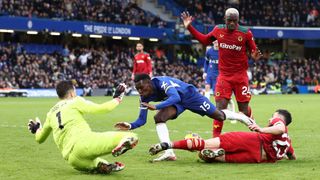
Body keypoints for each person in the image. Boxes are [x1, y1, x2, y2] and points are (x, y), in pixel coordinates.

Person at [115, 74, 254, 162]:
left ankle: (242, 118)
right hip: (177, 103)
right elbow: (142, 120)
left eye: (141, 87)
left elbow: (175, 96)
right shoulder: (144, 97)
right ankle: (169, 152)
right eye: (137, 89)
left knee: (219, 116)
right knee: (159, 118)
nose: (140, 91)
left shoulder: (162, 82)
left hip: (190, 96)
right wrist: (130, 125)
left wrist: (156, 106)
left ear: (149, 82)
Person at [181, 8, 262, 137]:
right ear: (225, 19)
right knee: (219, 110)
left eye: (234, 21)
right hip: (224, 76)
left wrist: (255, 58)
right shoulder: (218, 30)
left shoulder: (246, 33)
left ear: (238, 20)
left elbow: (254, 52)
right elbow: (204, 40)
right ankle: (216, 140)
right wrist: (189, 27)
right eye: (229, 20)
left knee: (244, 111)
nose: (232, 24)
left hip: (241, 77)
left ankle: (259, 133)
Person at [27, 80, 138, 174]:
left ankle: (101, 165)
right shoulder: (75, 101)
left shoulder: (50, 114)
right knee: (132, 137)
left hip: (73, 160)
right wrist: (117, 98)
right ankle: (123, 142)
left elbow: (40, 139)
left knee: (97, 162)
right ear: (71, 94)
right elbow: (102, 109)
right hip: (84, 144)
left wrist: (37, 129)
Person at [149, 109, 296, 163]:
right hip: (258, 158)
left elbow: (280, 127)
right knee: (210, 157)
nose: (271, 119)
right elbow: (291, 156)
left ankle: (168, 145)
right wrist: (289, 157)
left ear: (278, 117)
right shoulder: (288, 143)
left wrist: (261, 129)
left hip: (253, 141)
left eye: (272, 116)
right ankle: (211, 154)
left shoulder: (278, 122)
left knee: (206, 144)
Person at [203, 41, 235, 115]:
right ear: (213, 42)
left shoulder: (223, 51)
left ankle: (231, 110)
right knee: (207, 87)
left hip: (219, 76)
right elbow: (206, 61)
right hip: (210, 73)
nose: (216, 43)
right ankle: (206, 108)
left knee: (218, 95)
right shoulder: (209, 51)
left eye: (218, 41)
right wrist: (205, 72)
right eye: (215, 41)